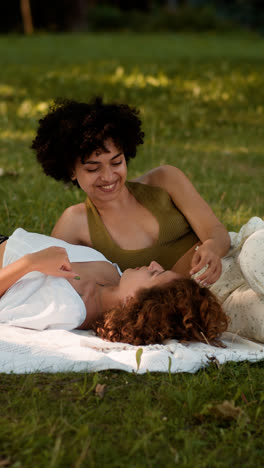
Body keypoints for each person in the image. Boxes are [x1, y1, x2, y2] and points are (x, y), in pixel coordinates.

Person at [32, 97, 230, 286]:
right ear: (71, 171)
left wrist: (213, 247)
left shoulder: (165, 180)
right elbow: (51, 283)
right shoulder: (74, 223)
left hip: (229, 266)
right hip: (195, 304)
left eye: (116, 162)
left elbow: (217, 232)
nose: (108, 177)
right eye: (93, 168)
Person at [0, 229, 227, 346]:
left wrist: (31, 263)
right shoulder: (112, 274)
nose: (154, 264)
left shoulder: (65, 307)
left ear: (132, 301)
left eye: (155, 273)